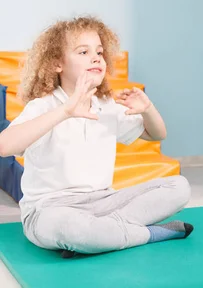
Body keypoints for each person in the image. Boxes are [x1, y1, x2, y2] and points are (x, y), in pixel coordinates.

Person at [0, 16, 193, 258]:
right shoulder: (43, 106)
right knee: (70, 227)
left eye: (99, 52)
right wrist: (66, 111)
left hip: (105, 202)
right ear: (57, 63)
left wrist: (148, 108)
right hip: (51, 210)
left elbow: (157, 134)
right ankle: (150, 234)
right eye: (83, 52)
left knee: (179, 187)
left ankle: (100, 235)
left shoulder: (106, 105)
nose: (95, 57)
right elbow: (5, 146)